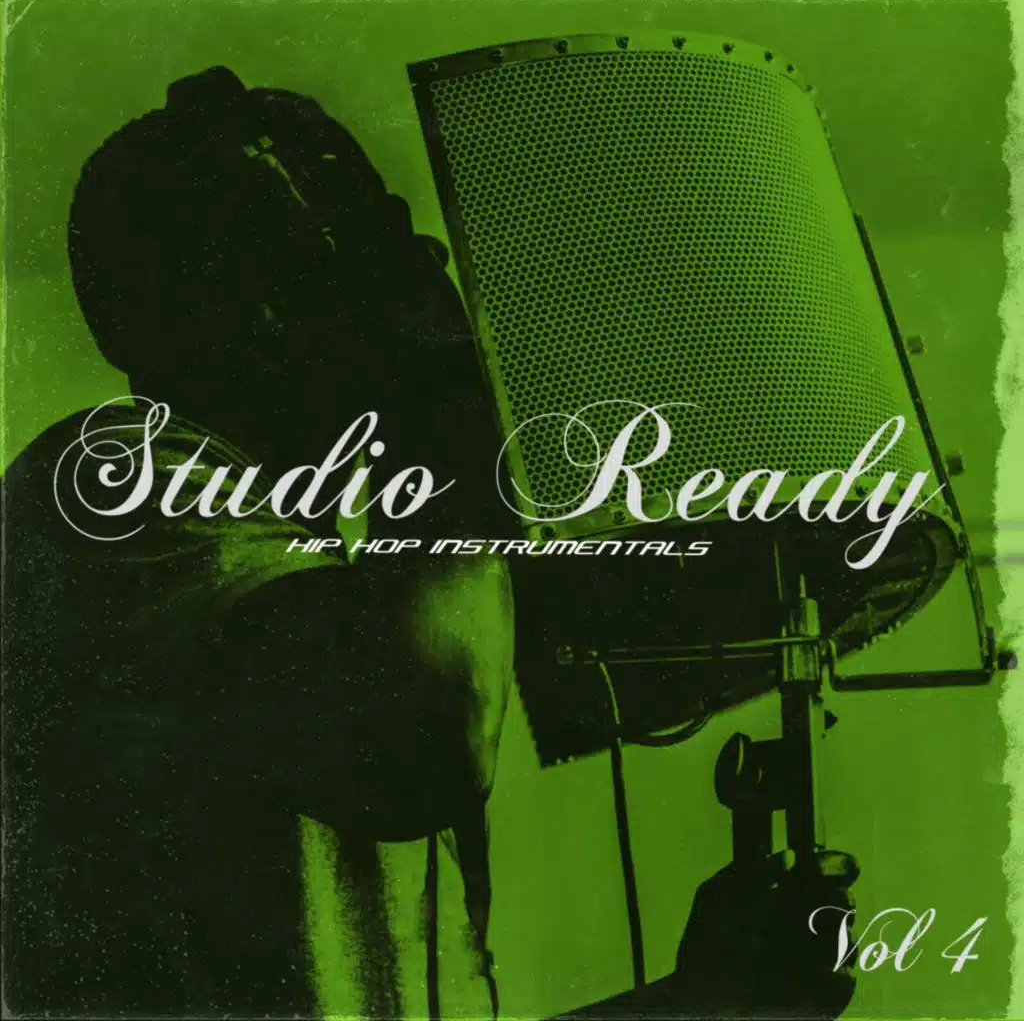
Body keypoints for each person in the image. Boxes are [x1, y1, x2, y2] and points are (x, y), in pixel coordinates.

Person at [2, 66, 857, 1019]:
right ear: (209, 306)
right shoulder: (109, 483)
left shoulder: (344, 590)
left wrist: (703, 1003)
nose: (413, 278)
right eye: (356, 252)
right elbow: (422, 745)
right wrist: (440, 405)